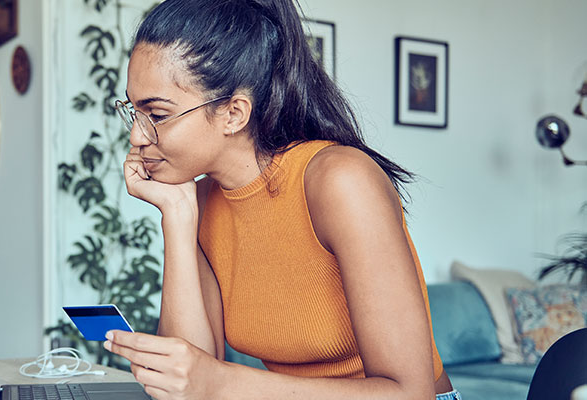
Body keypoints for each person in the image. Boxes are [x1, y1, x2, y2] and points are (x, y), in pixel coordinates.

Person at [103, 0, 459, 399]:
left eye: (158, 114)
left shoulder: (340, 181)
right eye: (133, 112)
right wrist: (176, 215)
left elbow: (410, 393)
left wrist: (221, 382)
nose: (137, 137)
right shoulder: (201, 202)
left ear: (234, 113)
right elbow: (187, 383)